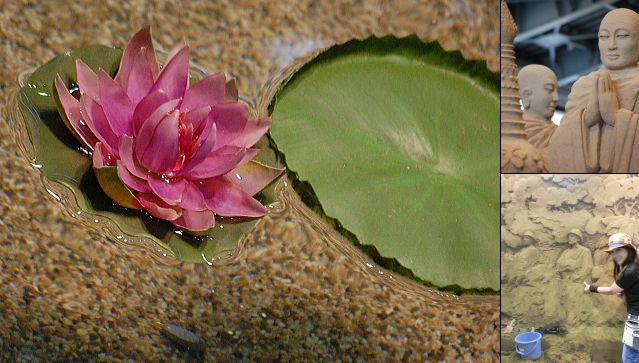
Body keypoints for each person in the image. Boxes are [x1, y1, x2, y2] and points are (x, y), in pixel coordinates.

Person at [547, 8, 639, 172]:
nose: (611, 45)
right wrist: (586, 119)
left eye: (622, 36)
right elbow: (557, 147)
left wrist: (616, 117)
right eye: (604, 37)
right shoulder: (583, 85)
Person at [584, 233, 639, 362]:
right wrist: (627, 290)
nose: (615, 255)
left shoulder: (629, 270)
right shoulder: (636, 265)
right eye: (613, 252)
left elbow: (611, 290)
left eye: (619, 250)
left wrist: (591, 288)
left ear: (629, 249)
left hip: (637, 319)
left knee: (630, 358)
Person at [518, 64, 559, 159]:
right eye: (550, 90)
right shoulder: (515, 129)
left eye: (557, 91)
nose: (557, 98)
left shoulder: (561, 132)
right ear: (527, 95)